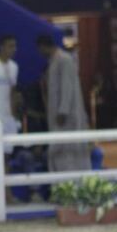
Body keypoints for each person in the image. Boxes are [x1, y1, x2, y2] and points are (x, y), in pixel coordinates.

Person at [37, 34, 91, 172]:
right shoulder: (54, 61)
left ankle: (72, 186)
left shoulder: (64, 59)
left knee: (69, 151)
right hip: (58, 116)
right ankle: (62, 184)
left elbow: (67, 87)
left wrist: (63, 110)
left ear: (43, 46)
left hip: (66, 117)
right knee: (60, 150)